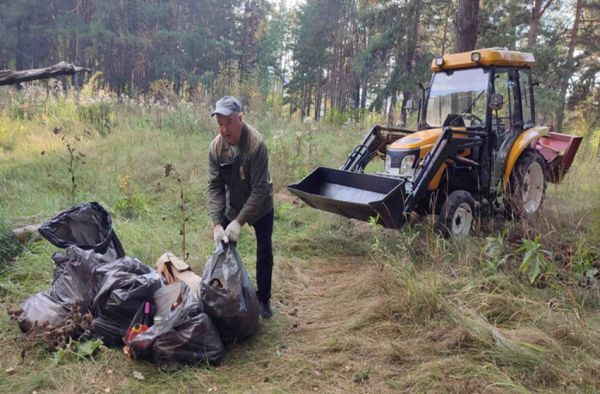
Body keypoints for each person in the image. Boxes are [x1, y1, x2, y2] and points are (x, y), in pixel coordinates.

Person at [207, 95, 274, 319]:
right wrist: (218, 223)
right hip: (233, 204)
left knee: (264, 249)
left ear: (241, 119)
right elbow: (215, 187)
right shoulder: (216, 148)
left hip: (261, 205)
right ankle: (226, 295)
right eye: (220, 124)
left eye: (229, 123)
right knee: (223, 247)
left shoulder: (256, 145)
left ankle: (263, 300)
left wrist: (239, 222)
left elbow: (259, 190)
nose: (225, 130)